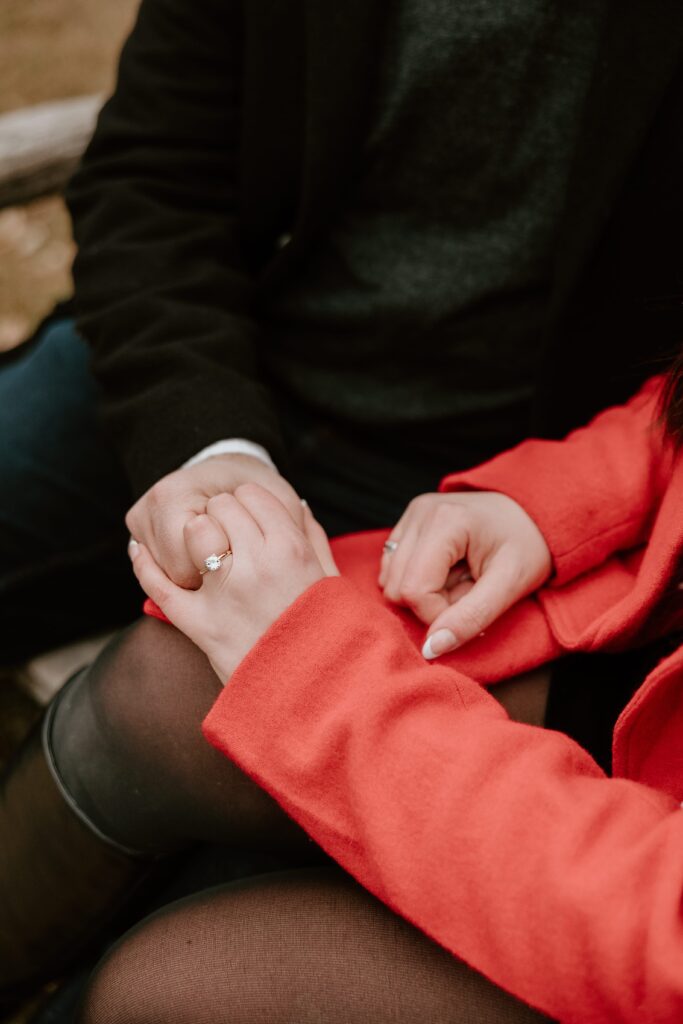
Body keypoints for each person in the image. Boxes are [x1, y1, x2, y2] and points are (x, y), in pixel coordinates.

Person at [1, 2, 682, 663]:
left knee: (153, 716)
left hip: (496, 482)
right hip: (192, 355)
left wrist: (552, 498)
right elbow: (151, 180)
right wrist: (207, 441)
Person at [1, 364, 680, 1022]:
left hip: (641, 922)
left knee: (181, 989)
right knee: (169, 681)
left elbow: (655, 931)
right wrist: (558, 497)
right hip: (643, 643)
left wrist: (322, 686)